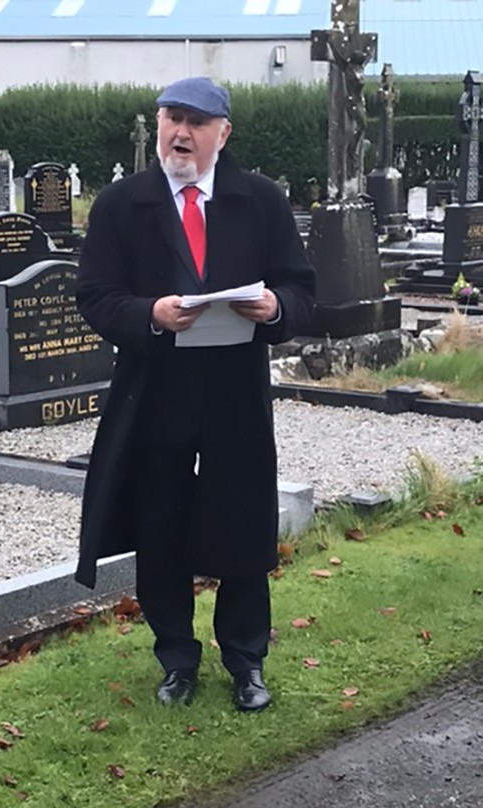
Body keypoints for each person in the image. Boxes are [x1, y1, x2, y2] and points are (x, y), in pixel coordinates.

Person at [75, 77, 315, 712]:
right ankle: (176, 658)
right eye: (172, 118)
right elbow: (95, 297)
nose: (181, 133)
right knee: (161, 523)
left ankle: (246, 660)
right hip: (156, 390)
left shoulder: (260, 200)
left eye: (196, 122)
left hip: (235, 390)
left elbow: (300, 287)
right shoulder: (122, 204)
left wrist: (275, 307)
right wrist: (149, 313)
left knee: (242, 518)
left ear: (223, 133)